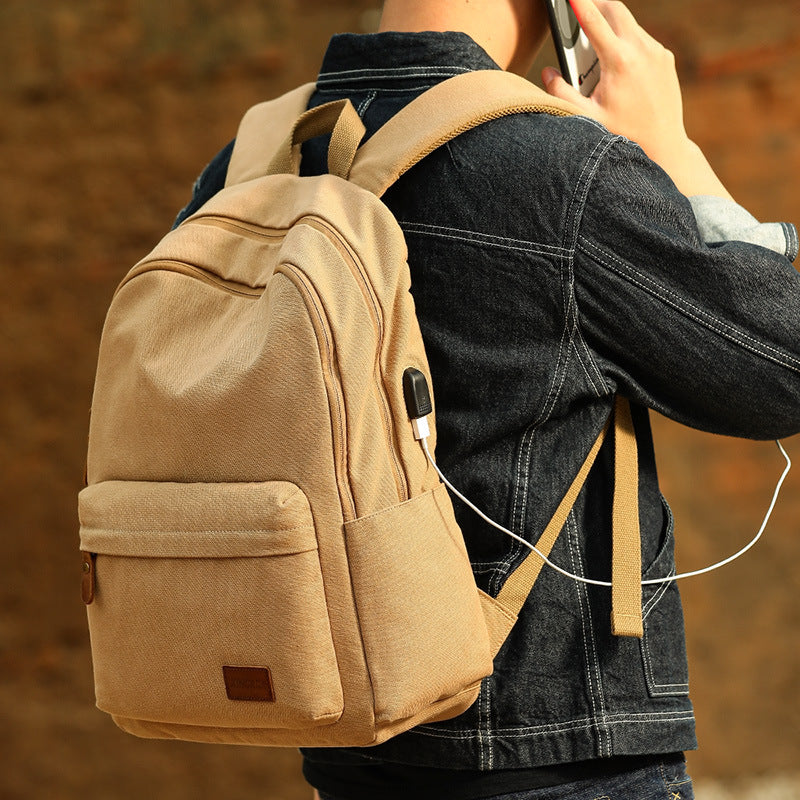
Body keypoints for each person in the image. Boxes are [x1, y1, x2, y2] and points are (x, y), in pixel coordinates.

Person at [174, 0, 800, 797]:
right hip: (561, 753)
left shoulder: (247, 163)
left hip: (344, 730)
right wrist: (677, 157)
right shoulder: (560, 168)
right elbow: (782, 366)